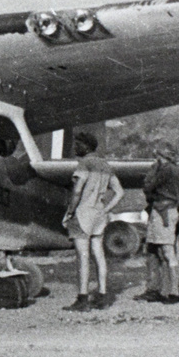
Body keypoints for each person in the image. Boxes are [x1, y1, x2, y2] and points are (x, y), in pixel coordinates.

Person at [62, 132, 124, 311]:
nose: (75, 147)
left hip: (82, 214)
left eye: (77, 144)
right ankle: (103, 296)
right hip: (99, 215)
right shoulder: (105, 165)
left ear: (86, 146)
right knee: (99, 255)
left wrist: (69, 212)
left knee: (82, 257)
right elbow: (119, 192)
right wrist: (106, 209)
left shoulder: (84, 164)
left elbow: (76, 191)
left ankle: (82, 299)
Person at [140, 142, 179, 304]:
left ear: (161, 155)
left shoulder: (163, 170)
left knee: (162, 251)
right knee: (158, 250)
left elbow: (149, 187)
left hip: (161, 212)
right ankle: (166, 290)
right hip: (168, 210)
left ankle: (170, 292)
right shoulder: (178, 170)